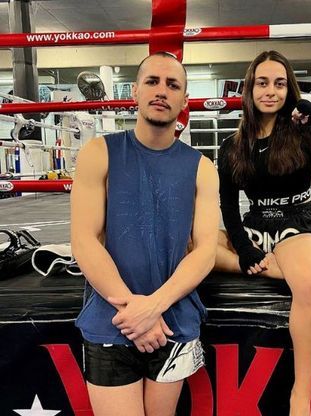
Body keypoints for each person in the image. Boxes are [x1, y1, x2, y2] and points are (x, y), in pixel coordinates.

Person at [71, 51, 219, 416]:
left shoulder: (202, 168)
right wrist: (134, 311)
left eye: (173, 85)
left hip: (172, 322)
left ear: (184, 100)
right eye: (152, 81)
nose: (161, 91)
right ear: (135, 91)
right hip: (113, 320)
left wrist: (153, 307)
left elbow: (205, 251)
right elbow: (84, 241)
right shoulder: (98, 153)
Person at [215, 50, 311, 416]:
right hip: (255, 227)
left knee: (309, 280)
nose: (271, 91)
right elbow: (229, 206)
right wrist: (245, 248)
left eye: (279, 83)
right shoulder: (232, 145)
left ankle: (300, 394)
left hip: (298, 223)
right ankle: (260, 263)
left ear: (289, 89)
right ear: (249, 89)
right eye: (262, 83)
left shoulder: (300, 131)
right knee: (189, 243)